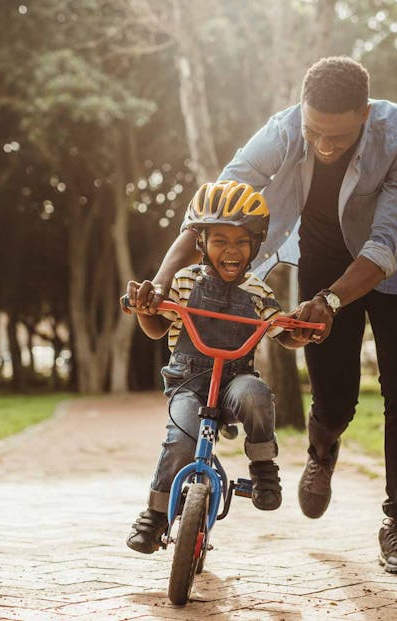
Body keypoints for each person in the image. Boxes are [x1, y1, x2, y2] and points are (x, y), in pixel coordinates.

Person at [133, 56, 397, 575]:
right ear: (302, 110)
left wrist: (333, 302)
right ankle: (323, 448)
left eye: (338, 137)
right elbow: (213, 207)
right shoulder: (282, 130)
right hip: (323, 257)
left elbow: (386, 243)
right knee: (336, 398)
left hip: (396, 263)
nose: (323, 146)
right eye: (314, 131)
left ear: (365, 114)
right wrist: (161, 282)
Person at [125, 180, 312, 555]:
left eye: (242, 242)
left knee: (257, 395)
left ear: (256, 245)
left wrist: (301, 332)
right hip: (189, 382)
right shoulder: (182, 281)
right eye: (220, 240)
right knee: (180, 441)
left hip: (234, 381)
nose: (231, 250)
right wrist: (146, 310)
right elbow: (157, 327)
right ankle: (155, 514)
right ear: (202, 244)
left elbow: (281, 332)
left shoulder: (259, 291)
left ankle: (262, 467)